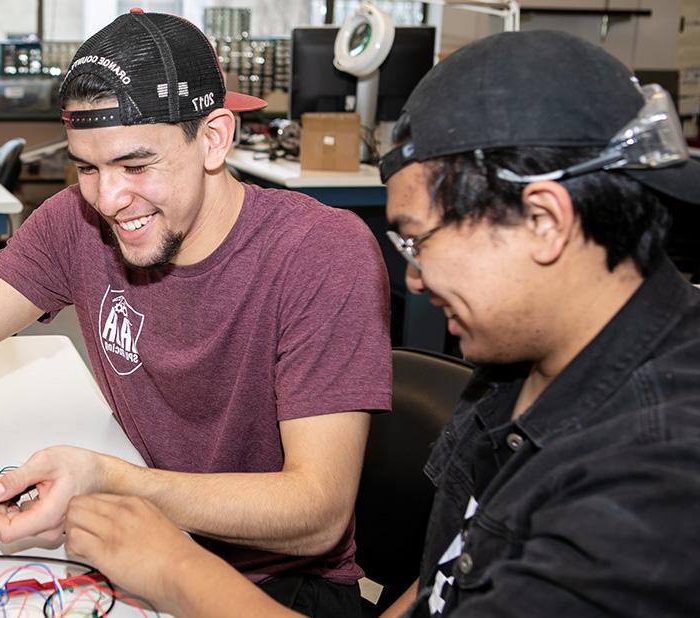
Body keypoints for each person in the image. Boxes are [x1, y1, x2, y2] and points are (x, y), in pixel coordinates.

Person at [61, 30, 700, 618]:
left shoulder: (648, 483)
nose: (414, 281)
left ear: (544, 221)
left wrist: (172, 568)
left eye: (420, 241)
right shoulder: (527, 365)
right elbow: (449, 578)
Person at [0, 9, 392, 614]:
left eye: (136, 166)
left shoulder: (321, 253)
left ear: (214, 137)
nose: (109, 199)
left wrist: (112, 484)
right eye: (87, 167)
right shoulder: (73, 224)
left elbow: (317, 515)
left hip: (273, 590)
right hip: (134, 553)